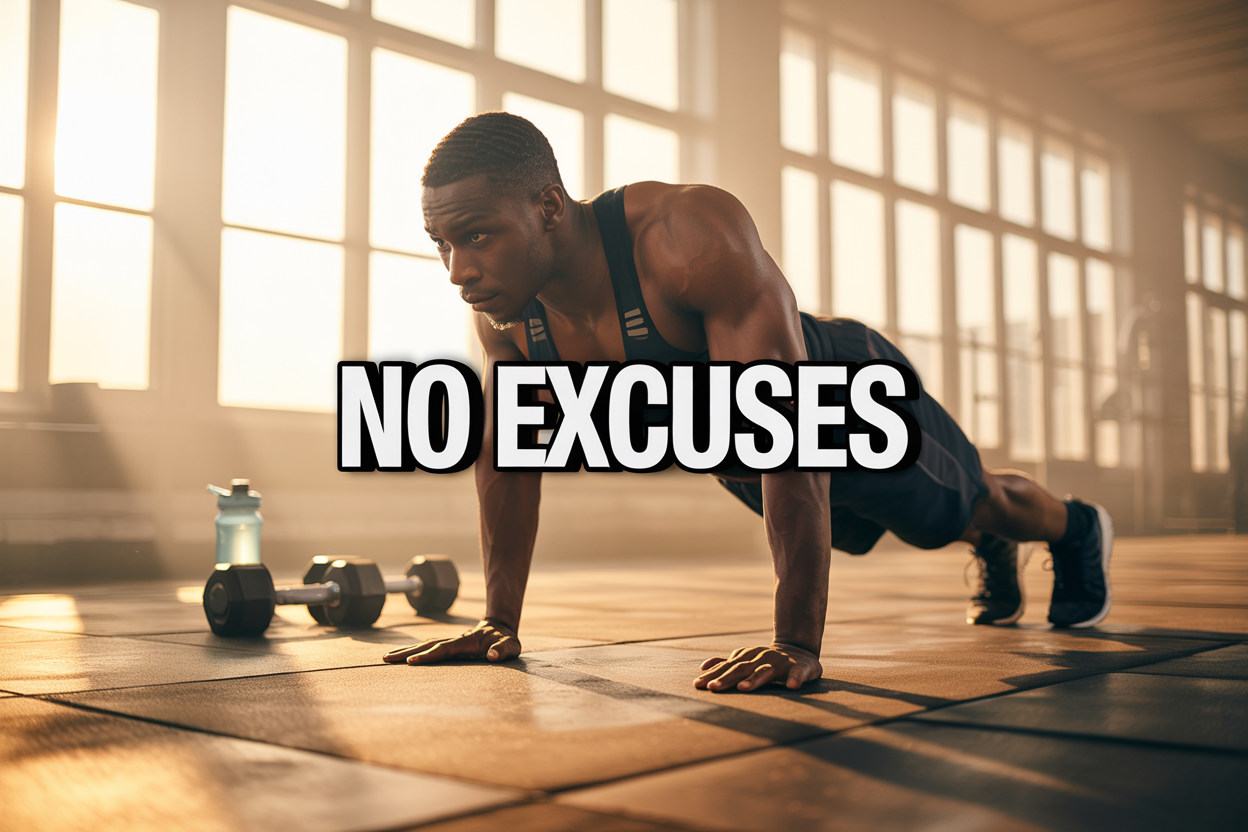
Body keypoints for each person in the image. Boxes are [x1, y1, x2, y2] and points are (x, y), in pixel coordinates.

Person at [382, 112, 1113, 692]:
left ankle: (1075, 527)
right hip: (733, 442)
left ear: (547, 207)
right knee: (867, 528)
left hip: (834, 397)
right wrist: (497, 621)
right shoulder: (505, 315)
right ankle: (987, 537)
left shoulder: (684, 237)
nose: (459, 270)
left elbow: (785, 424)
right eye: (441, 244)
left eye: (477, 236)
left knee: (966, 506)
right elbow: (508, 457)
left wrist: (795, 642)